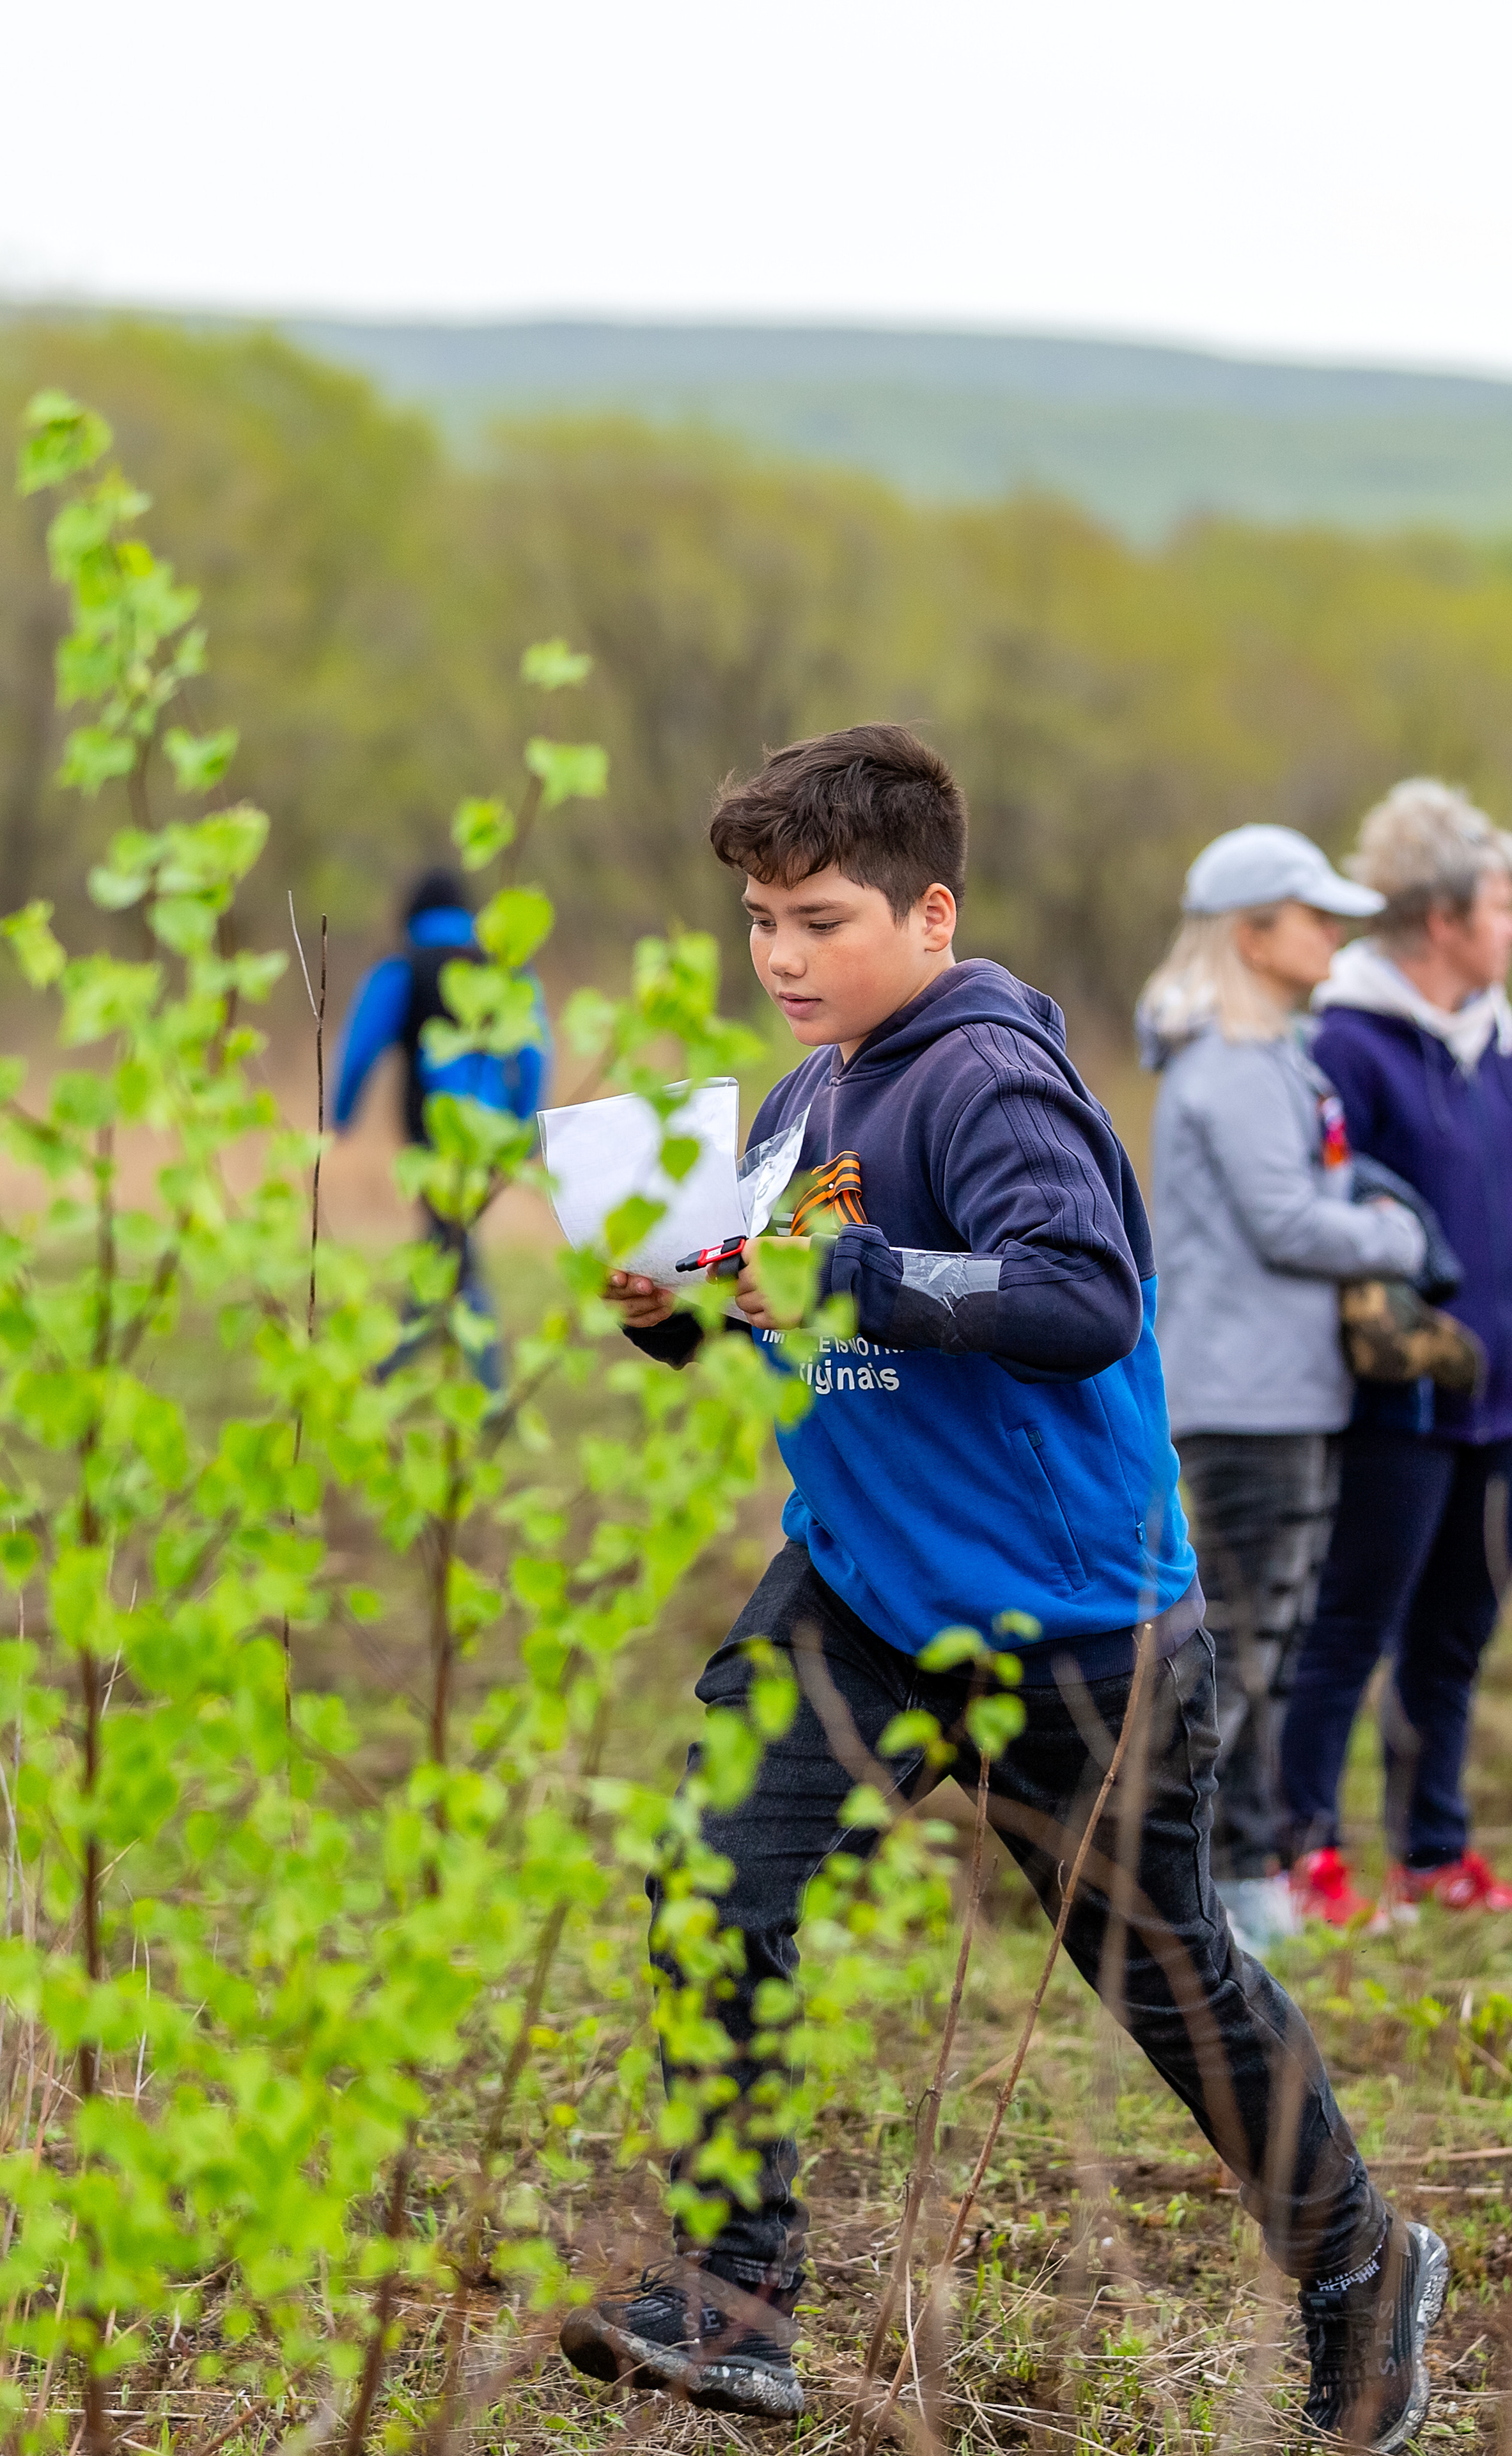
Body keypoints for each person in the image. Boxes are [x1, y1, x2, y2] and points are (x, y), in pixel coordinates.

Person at [563, 727, 1446, 2449]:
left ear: (929, 910)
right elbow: (808, 1296)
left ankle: (1358, 2262)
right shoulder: (810, 1094)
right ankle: (735, 2300)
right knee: (712, 1873)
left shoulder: (985, 1080)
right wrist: (674, 1302)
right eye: (760, 920)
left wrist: (853, 1270)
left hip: (1076, 1627)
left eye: (819, 918)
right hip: (865, 1597)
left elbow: (1080, 1296)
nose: (784, 955)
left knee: (1167, 1978)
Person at [1280, 781, 1512, 1922]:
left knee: (1457, 1635)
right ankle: (1304, 1856)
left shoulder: (1505, 1045)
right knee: (1349, 1625)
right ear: (1447, 919)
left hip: (1508, 1398)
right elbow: (1330, 1213)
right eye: (1502, 907)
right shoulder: (1346, 1044)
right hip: (1399, 1404)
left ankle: (1435, 1856)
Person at [1138, 825, 1431, 1952]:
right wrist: (1400, 1239)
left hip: (1287, 1394)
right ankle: (1213, 1888)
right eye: (1315, 917)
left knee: (1273, 1642)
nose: (1335, 936)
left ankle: (1246, 1874)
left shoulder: (1272, 1056)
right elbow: (1288, 1221)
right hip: (1244, 1401)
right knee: (1243, 1654)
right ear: (1253, 936)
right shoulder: (1230, 1066)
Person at [332, 867, 552, 1390]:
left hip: (432, 1133)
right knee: (448, 1241)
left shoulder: (400, 968)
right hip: (492, 1132)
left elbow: (358, 1047)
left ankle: (469, 1377)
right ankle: (405, 1357)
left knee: (451, 1244)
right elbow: (537, 1049)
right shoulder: (506, 966)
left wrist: (339, 1117)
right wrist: (523, 1127)